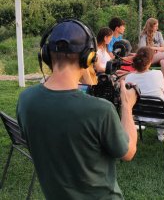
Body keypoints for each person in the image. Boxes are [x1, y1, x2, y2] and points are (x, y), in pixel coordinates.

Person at [17, 19, 137, 199]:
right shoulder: (101, 111)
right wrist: (127, 106)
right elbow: (128, 152)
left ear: (46, 55)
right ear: (88, 57)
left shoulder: (25, 101)